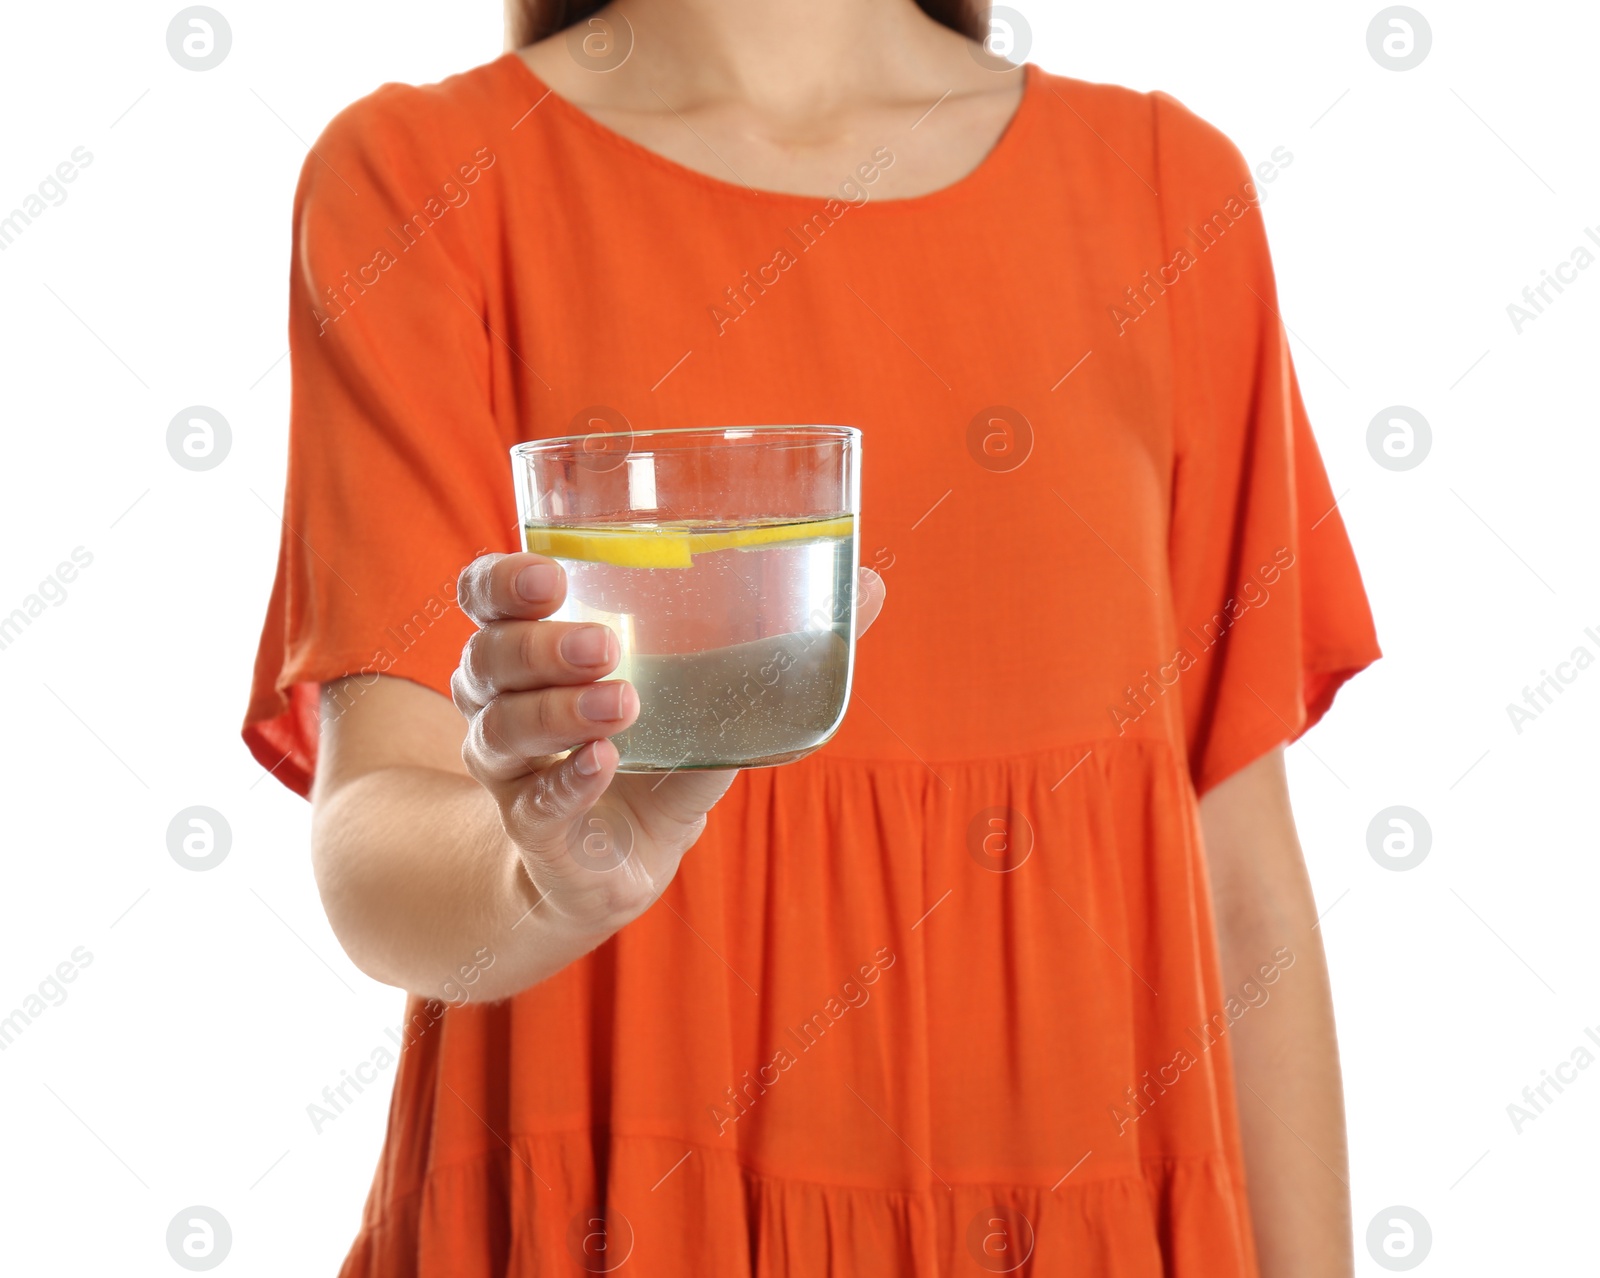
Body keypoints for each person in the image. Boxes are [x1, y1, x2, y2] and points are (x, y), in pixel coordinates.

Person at [243, 1, 1381, 1273]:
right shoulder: (423, 181)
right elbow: (375, 827)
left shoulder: (1168, 194)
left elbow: (1242, 885)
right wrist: (538, 875)